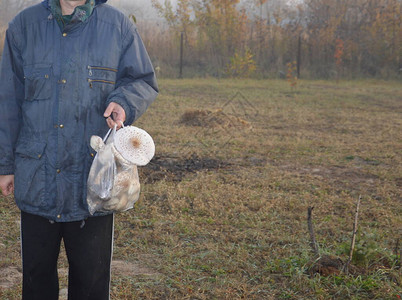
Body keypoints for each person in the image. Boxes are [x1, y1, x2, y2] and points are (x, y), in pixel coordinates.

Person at [0, 0, 158, 299]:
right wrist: (5, 165)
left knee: (91, 282)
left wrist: (122, 102)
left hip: (94, 181)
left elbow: (141, 80)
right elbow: (7, 99)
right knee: (36, 279)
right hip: (37, 176)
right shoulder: (24, 27)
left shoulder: (117, 27)